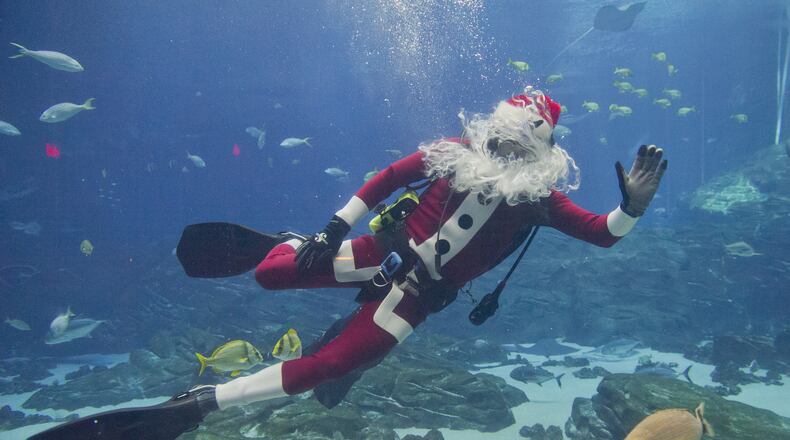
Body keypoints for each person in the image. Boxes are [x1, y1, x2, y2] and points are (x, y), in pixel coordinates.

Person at [30, 87, 666, 439]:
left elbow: (603, 234)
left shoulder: (538, 202)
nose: (500, 151)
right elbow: (387, 179)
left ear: (538, 155)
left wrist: (631, 207)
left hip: (417, 297)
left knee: (331, 365)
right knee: (268, 273)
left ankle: (196, 404)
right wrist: (330, 228)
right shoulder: (449, 154)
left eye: (514, 146)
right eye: (496, 139)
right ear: (486, 132)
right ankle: (281, 240)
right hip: (376, 256)